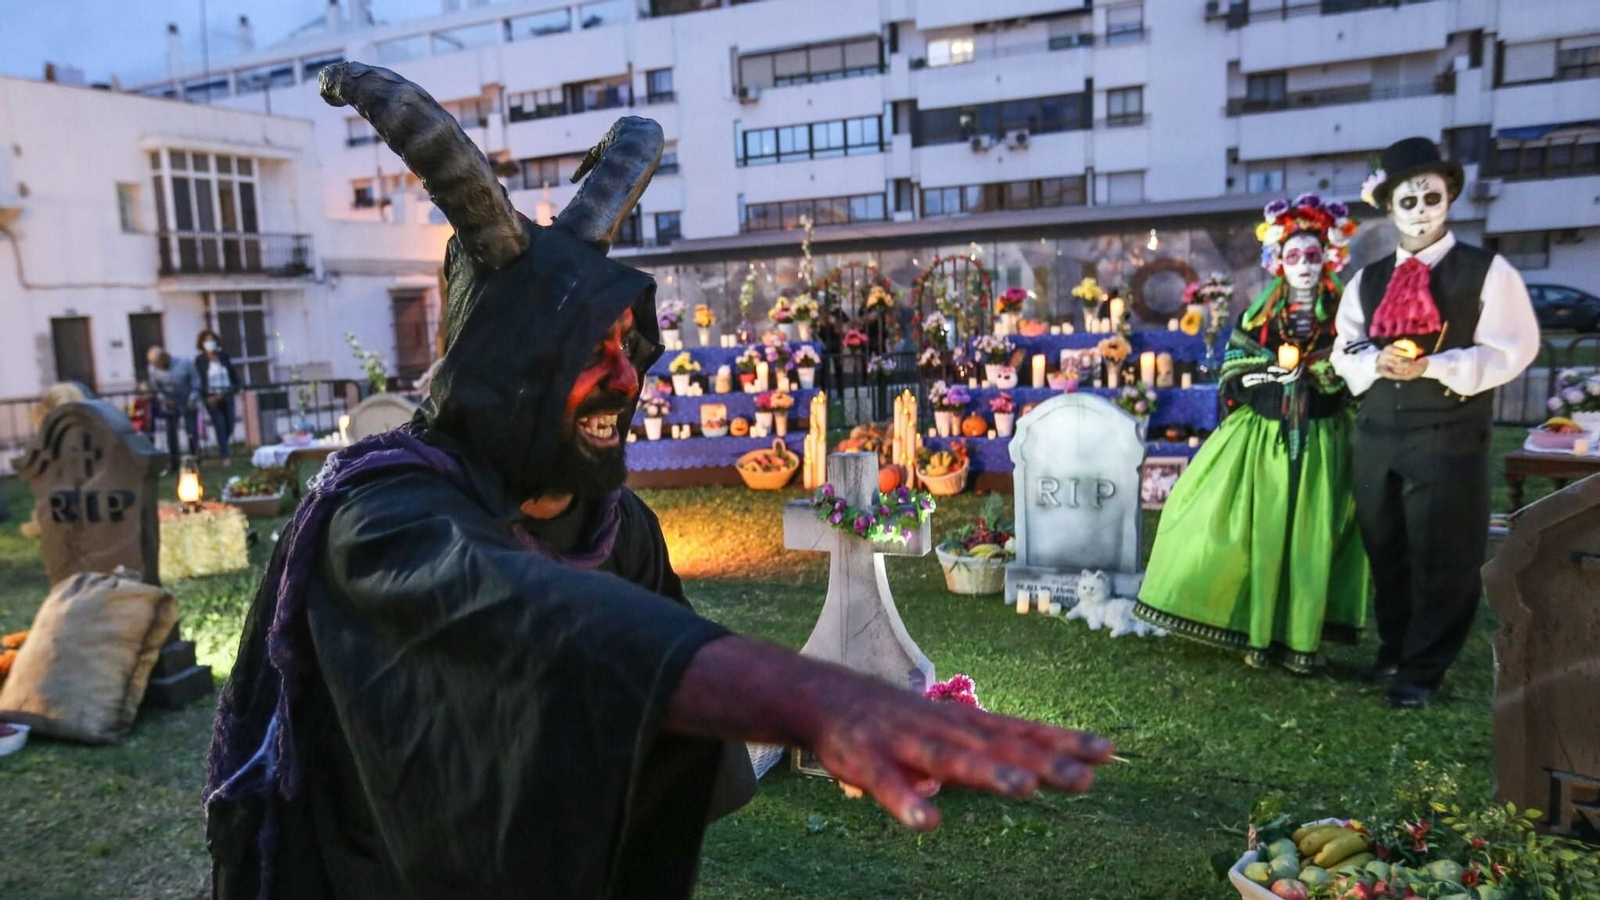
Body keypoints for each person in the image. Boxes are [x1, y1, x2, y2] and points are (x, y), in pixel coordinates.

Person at [205, 62, 1113, 900]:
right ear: (507, 367)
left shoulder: (618, 528)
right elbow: (524, 609)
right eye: (582, 352)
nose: (627, 379)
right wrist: (808, 694)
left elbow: (642, 703)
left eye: (625, 346)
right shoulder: (380, 513)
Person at [1331, 137, 1539, 709]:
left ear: (1448, 200)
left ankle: (1424, 671)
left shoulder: (1486, 272)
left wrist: (1438, 364)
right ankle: (1395, 649)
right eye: (1408, 200)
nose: (1421, 209)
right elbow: (1342, 348)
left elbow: (1512, 347)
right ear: (1390, 207)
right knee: (1386, 546)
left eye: (1431, 197)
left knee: (1442, 553)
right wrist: (1376, 360)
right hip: (1377, 434)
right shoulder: (1367, 279)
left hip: (1447, 433)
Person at [1135, 195, 1369, 674]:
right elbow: (1233, 373)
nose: (1303, 266)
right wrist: (1271, 378)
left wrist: (1322, 374)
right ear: (1277, 262)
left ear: (1329, 257)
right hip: (1264, 445)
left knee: (1311, 537)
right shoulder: (1259, 318)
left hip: (1324, 444)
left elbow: (1359, 373)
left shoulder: (1345, 317)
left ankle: (1303, 637)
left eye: (1312, 255)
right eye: (1293, 255)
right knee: (1259, 534)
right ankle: (1257, 633)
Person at [146, 346, 200, 474]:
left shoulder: (185, 363)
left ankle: (194, 460)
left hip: (188, 401)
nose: (158, 366)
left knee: (191, 431)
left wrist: (192, 398)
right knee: (171, 435)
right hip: (170, 404)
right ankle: (174, 464)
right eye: (155, 364)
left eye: (159, 363)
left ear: (165, 357)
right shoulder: (153, 370)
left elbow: (196, 382)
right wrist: (163, 399)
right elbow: (156, 389)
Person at [195, 330, 241, 465]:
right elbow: (200, 380)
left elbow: (232, 373)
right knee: (219, 424)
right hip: (212, 397)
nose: (210, 343)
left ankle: (223, 445)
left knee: (230, 424)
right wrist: (206, 396)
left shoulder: (223, 356)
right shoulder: (200, 360)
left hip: (227, 394)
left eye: (212, 339)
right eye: (207, 340)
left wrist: (236, 386)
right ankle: (225, 455)